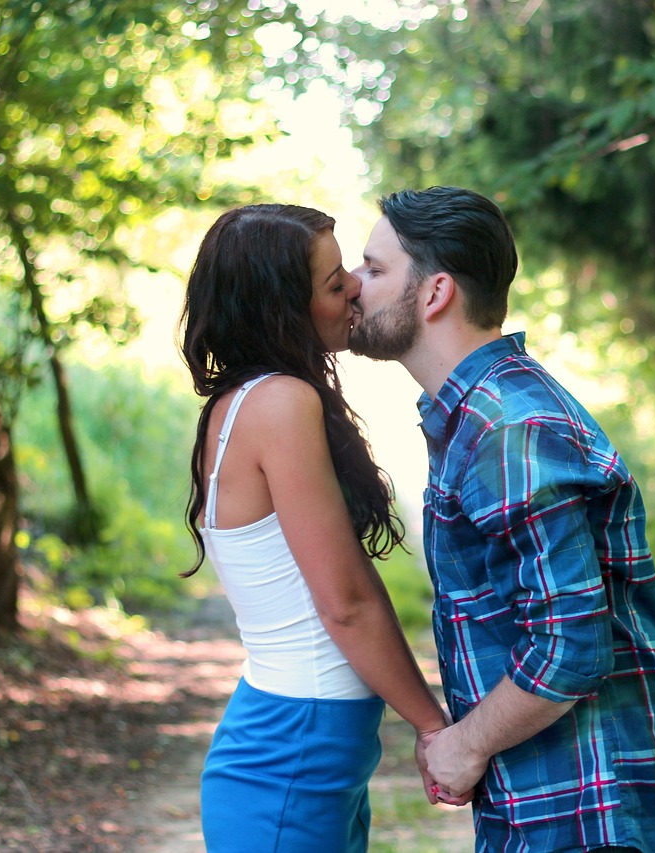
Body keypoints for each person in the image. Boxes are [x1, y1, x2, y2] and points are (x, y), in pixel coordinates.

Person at [349, 186, 655, 852]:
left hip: (592, 811)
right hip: (554, 801)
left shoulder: (506, 427)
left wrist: (465, 743)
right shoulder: (481, 415)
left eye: (373, 268)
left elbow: (570, 643)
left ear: (434, 293)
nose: (352, 284)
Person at [178, 203, 461, 853]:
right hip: (290, 756)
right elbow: (347, 602)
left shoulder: (250, 400)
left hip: (303, 747)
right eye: (335, 283)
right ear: (285, 309)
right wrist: (434, 728)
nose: (356, 286)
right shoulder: (280, 403)